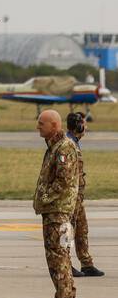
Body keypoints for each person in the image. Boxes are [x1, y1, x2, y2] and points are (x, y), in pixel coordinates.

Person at [34, 110, 81, 298]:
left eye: (41, 123)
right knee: (60, 257)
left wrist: (43, 198)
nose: (38, 127)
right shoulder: (55, 146)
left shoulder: (64, 148)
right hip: (56, 212)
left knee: (58, 258)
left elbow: (63, 181)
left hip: (58, 213)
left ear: (54, 125)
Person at [66, 111, 104, 278]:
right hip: (70, 197)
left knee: (82, 229)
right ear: (78, 126)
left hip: (78, 197)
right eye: (83, 124)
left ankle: (86, 263)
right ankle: (65, 264)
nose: (85, 127)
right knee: (66, 231)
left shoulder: (75, 142)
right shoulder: (68, 144)